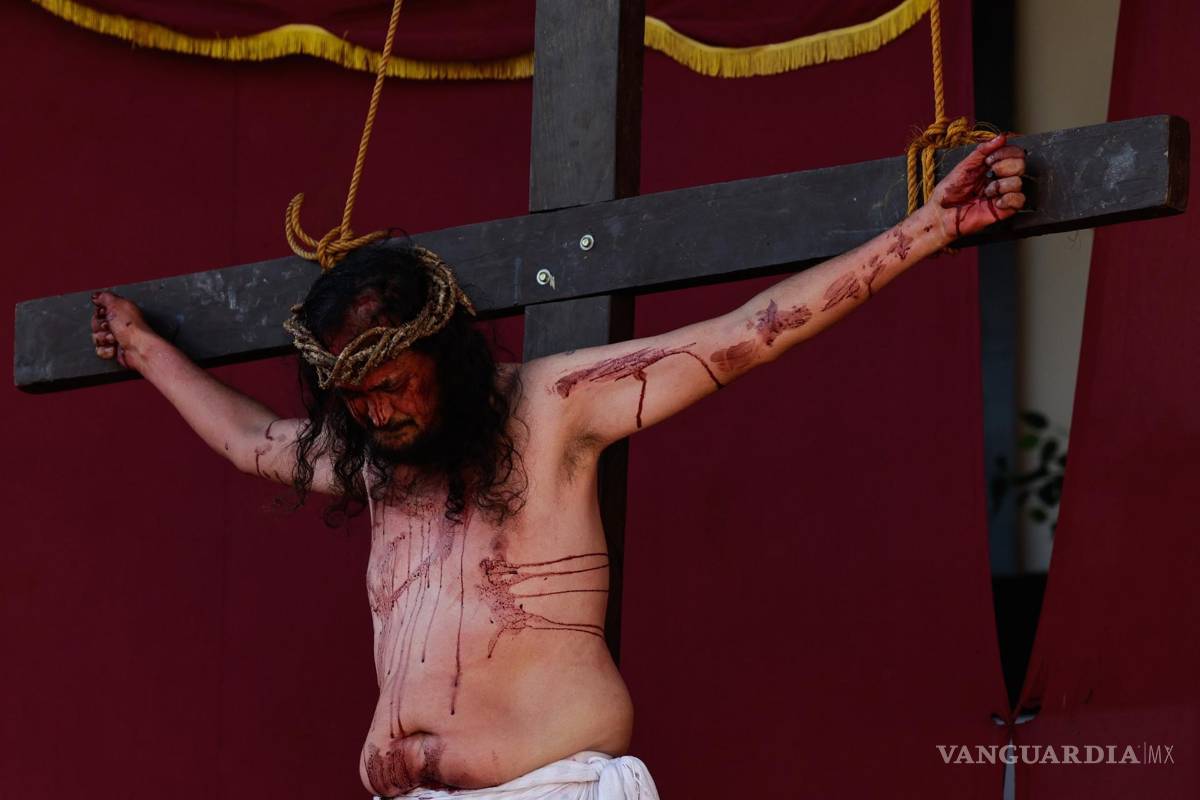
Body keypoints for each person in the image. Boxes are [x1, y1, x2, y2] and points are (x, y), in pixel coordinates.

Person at [89, 136, 1026, 798]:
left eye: (396, 385)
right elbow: (251, 440)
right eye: (359, 399)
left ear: (444, 356)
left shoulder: (555, 407)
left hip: (554, 787)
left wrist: (929, 230)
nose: (381, 412)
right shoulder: (375, 459)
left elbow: (750, 335)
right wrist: (143, 350)